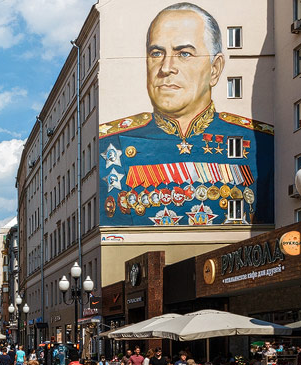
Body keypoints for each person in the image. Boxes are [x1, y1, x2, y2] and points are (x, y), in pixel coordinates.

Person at [98, 2, 274, 227]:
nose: (166, 67)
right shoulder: (112, 143)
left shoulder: (261, 142)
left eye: (184, 53)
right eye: (156, 53)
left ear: (215, 68)